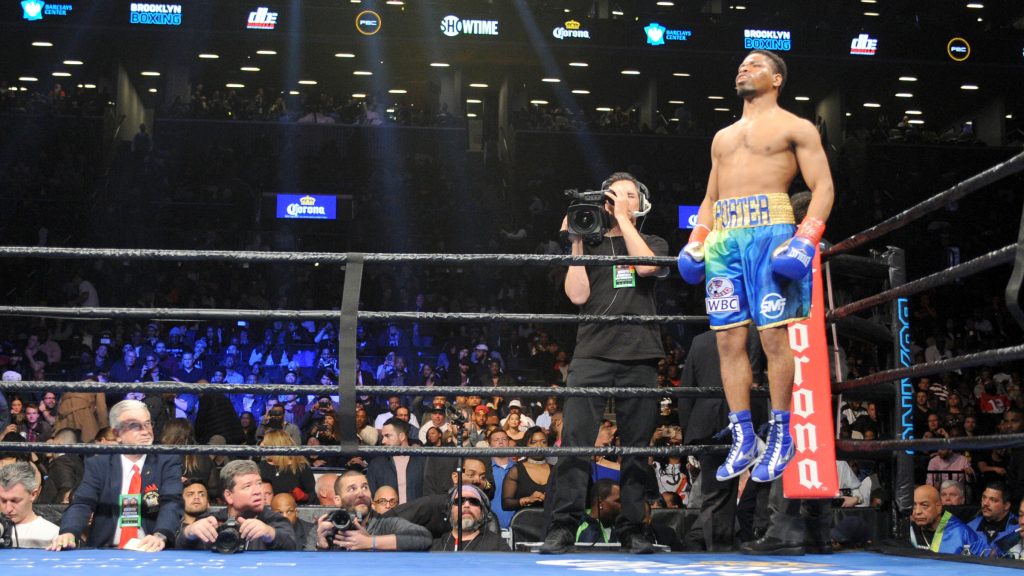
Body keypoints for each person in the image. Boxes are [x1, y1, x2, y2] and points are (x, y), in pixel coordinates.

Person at [676, 49, 834, 483]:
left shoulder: (796, 127)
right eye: (741, 64)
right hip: (726, 237)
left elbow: (823, 187)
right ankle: (743, 435)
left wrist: (806, 237)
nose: (744, 67)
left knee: (772, 337)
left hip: (771, 231)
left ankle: (783, 433)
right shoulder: (722, 137)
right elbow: (710, 198)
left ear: (777, 78)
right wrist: (696, 240)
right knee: (728, 341)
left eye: (756, 64)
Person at [542, 171, 668, 555]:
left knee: (635, 448)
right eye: (613, 195)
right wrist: (577, 243)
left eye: (628, 194)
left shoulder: (652, 241)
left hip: (640, 354)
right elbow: (577, 296)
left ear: (640, 202)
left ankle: (632, 528)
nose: (619, 199)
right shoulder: (591, 243)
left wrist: (626, 220)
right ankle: (564, 525)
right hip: (592, 354)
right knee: (576, 443)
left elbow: (647, 268)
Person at [49, 399, 183, 551]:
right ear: (116, 434)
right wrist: (69, 532)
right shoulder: (99, 464)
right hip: (105, 549)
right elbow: (82, 503)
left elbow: (172, 501)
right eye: (135, 426)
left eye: (147, 423)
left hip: (151, 549)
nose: (146, 431)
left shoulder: (166, 460)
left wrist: (161, 535)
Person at [177, 459, 297, 551]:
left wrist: (269, 533)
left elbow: (290, 543)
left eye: (259, 483)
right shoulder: (211, 520)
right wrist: (189, 532)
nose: (258, 491)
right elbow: (179, 544)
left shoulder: (273, 520)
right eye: (248, 486)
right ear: (229, 496)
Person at [312, 469, 432, 551]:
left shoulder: (386, 523)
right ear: (337, 500)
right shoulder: (326, 527)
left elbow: (423, 537)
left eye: (365, 487)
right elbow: (305, 566)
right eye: (352, 489)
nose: (361, 493)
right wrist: (321, 547)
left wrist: (370, 542)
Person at [430, 483, 510, 551]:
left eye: (474, 501)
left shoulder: (499, 547)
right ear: (449, 511)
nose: (467, 505)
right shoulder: (434, 547)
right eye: (459, 501)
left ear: (482, 512)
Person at [909, 484, 986, 555]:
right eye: (914, 505)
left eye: (924, 505)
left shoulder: (961, 533)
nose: (917, 511)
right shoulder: (908, 532)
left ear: (938, 507)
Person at [0, 461, 59, 548]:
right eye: (3, 501)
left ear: (33, 494)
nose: (8, 509)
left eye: (15, 501)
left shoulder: (52, 534)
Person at [367, 418, 425, 504]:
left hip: (417, 516)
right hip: (387, 516)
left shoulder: (423, 461)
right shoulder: (376, 464)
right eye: (383, 437)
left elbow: (429, 494)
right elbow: (373, 497)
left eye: (387, 436)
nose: (383, 441)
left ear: (401, 436)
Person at [966, 481, 1019, 553]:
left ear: (1006, 505)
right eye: (984, 497)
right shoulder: (970, 527)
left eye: (993, 500)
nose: (985, 503)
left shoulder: (1018, 529)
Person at [575, 479, 620, 544]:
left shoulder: (623, 528)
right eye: (618, 501)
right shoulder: (580, 529)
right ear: (600, 502)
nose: (621, 506)